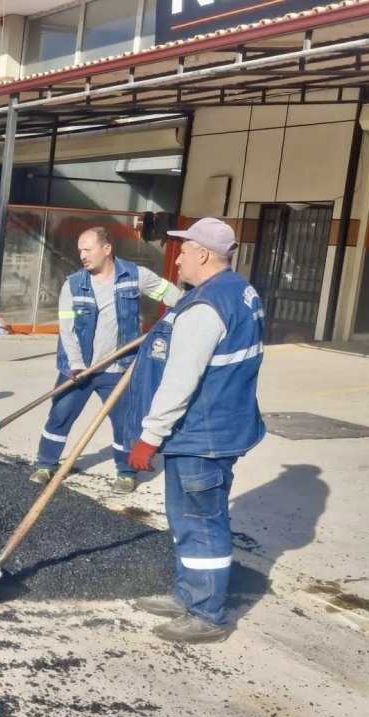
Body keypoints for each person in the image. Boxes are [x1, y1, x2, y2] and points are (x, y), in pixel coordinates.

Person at [126, 217, 266, 644]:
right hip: (218, 426)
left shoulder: (206, 308)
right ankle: (189, 595)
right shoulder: (238, 290)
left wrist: (150, 435)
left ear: (204, 254)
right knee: (188, 518)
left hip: (202, 435)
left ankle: (207, 615)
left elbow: (181, 379)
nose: (178, 257)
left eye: (184, 250)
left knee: (201, 522)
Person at [31, 227, 182, 493]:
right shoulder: (74, 284)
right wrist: (77, 364)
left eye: (88, 249)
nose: (83, 255)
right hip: (78, 369)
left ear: (107, 249)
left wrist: (178, 314)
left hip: (119, 367)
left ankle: (126, 473)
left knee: (125, 423)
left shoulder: (134, 276)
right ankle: (45, 464)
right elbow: (66, 330)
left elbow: (171, 295)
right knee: (60, 415)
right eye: (80, 250)